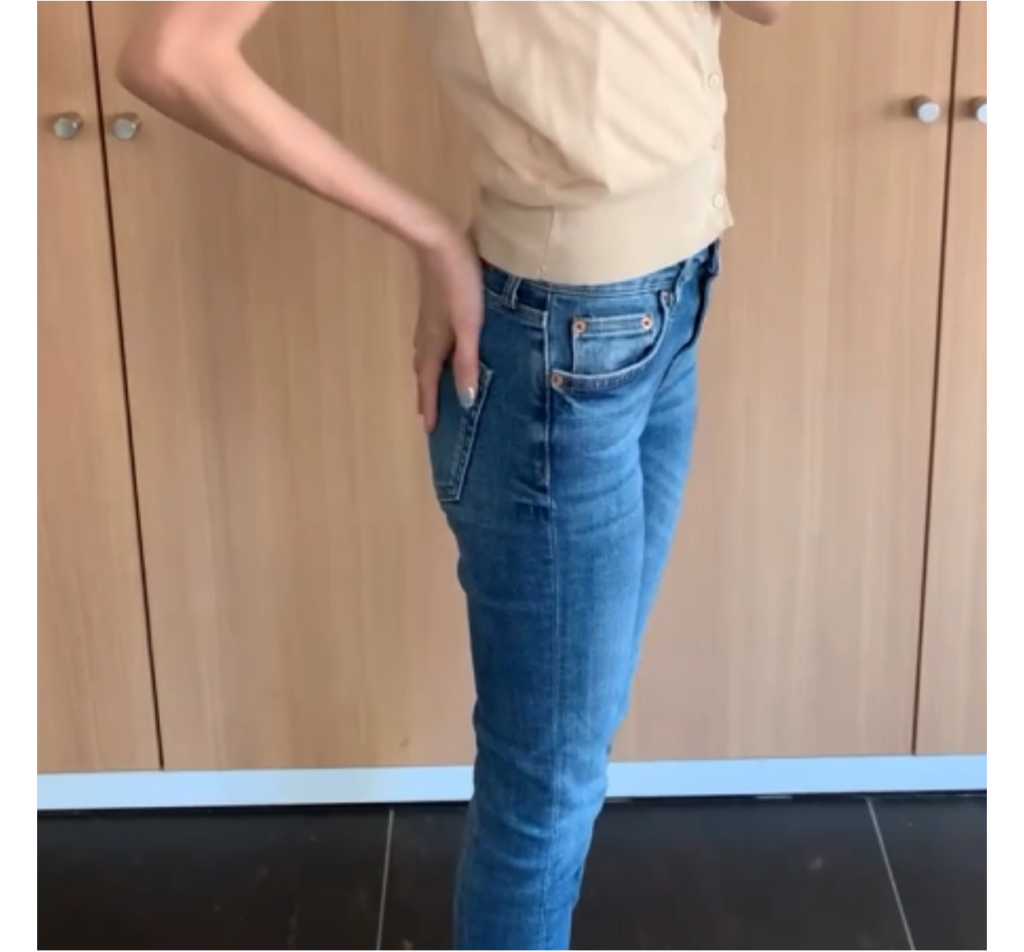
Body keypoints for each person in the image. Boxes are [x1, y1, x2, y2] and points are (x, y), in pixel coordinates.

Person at [118, 2, 790, 948]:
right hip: (567, 335)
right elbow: (171, 56)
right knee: (546, 785)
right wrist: (430, 235)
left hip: (673, 296)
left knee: (573, 751)